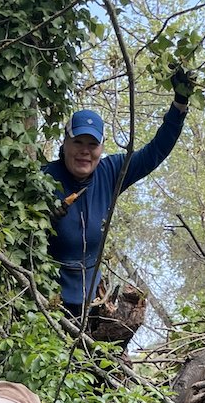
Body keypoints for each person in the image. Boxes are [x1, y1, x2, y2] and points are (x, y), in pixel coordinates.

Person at [44, 68, 196, 319]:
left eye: (92, 145)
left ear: (101, 148)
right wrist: (45, 218)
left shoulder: (111, 172)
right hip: (48, 299)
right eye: (78, 143)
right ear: (65, 143)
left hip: (93, 302)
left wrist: (179, 105)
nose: (85, 151)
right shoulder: (44, 178)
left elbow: (155, 151)